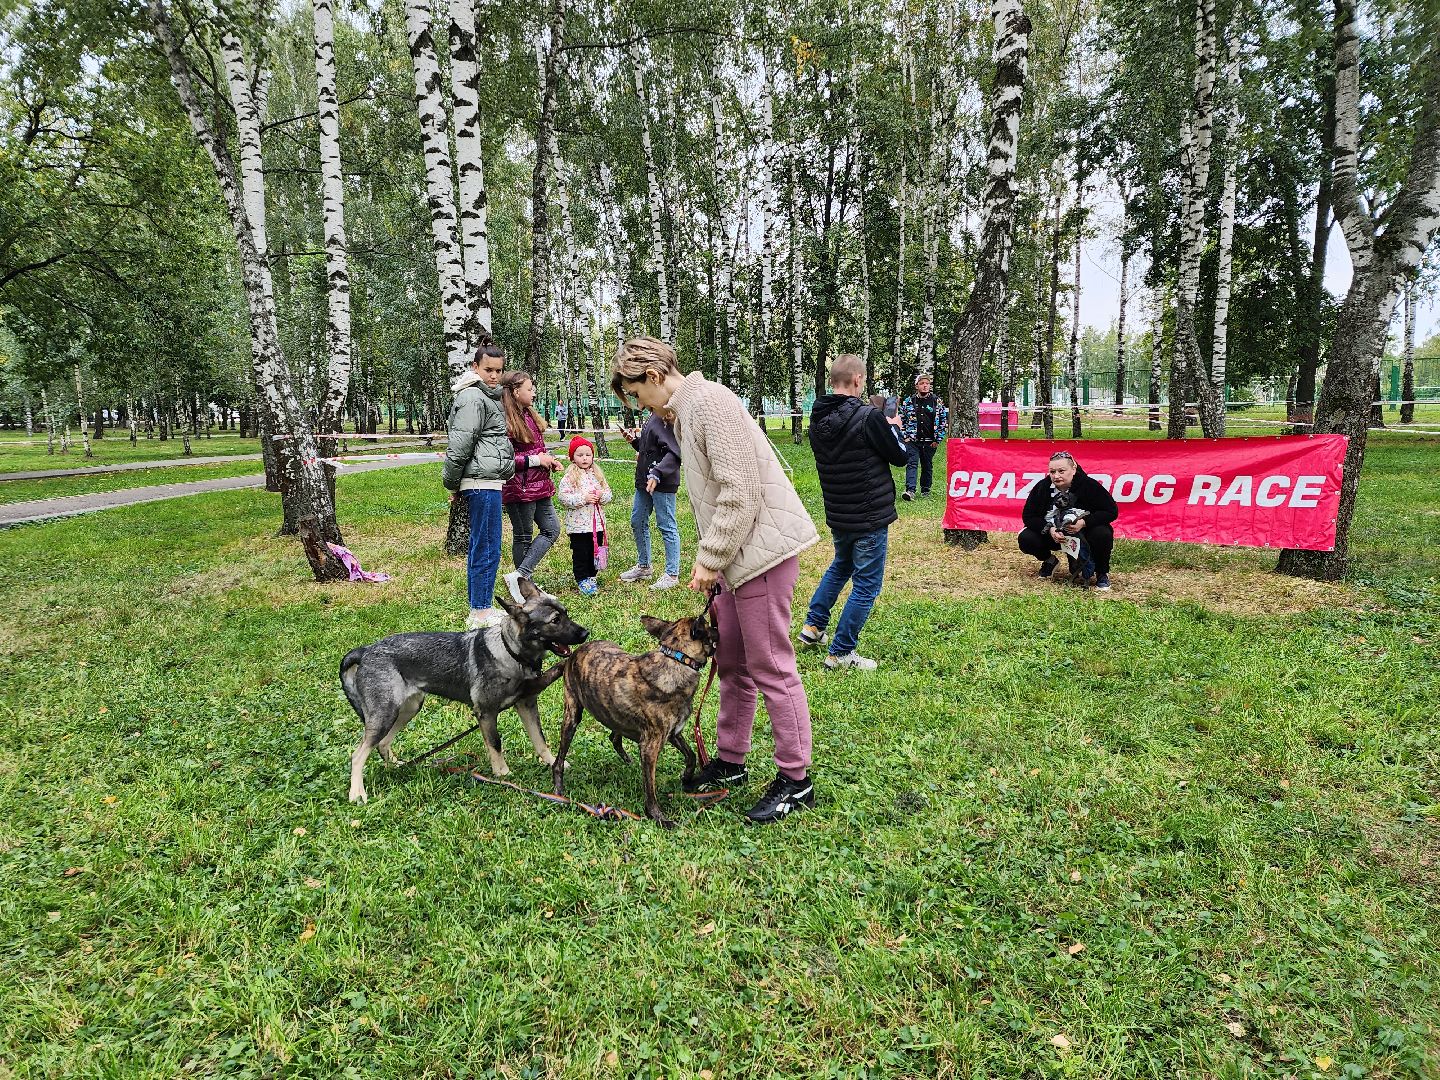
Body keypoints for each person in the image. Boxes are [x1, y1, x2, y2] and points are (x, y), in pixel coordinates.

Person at [610, 336, 822, 825]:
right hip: (734, 563)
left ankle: (796, 780)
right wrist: (717, 564)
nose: (640, 405)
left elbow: (741, 492)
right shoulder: (685, 413)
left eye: (638, 394)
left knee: (772, 667)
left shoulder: (711, 403)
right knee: (732, 666)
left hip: (759, 559)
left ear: (654, 375)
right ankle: (731, 760)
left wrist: (708, 559)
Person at [799, 353, 910, 671]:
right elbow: (900, 456)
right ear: (858, 380)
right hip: (869, 513)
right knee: (867, 584)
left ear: (834, 381)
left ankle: (813, 627)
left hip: (839, 510)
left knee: (841, 565)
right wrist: (895, 428)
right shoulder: (869, 417)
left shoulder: (817, 419)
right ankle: (841, 652)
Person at [441, 337, 514, 630]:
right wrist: (452, 482)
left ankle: (479, 607)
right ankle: (481, 611)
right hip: (481, 482)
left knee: (484, 545)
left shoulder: (485, 396)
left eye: (498, 370)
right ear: (475, 367)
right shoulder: (473, 397)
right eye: (488, 370)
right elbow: (460, 444)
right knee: (486, 546)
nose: (494, 376)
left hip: (487, 481)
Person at [498, 370, 563, 601]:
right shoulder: (503, 420)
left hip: (539, 485)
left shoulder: (528, 415)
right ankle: (526, 589)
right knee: (523, 536)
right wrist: (537, 460)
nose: (534, 393)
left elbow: (533, 449)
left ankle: (520, 577)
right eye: (530, 389)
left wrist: (548, 459)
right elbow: (504, 459)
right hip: (519, 488)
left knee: (552, 529)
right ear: (516, 392)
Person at [1019, 450, 1119, 591]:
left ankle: (1101, 572)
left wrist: (1084, 522)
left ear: (1073, 469)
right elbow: (1028, 516)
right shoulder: (1042, 487)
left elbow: (1111, 511)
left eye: (1061, 471)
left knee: (1102, 533)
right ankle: (1049, 561)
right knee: (1026, 538)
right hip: (1055, 534)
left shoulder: (1089, 485)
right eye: (1052, 472)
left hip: (1083, 533)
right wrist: (1050, 529)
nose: (1056, 476)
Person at [617, 408, 683, 590]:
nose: (638, 400)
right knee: (637, 521)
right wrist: (635, 442)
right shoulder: (652, 417)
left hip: (662, 482)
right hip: (644, 482)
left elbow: (674, 452)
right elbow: (652, 450)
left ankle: (671, 574)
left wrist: (657, 473)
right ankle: (644, 566)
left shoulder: (666, 417)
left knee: (666, 525)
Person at [556, 435, 613, 596]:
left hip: (597, 525)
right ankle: (582, 578)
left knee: (594, 551)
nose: (585, 458)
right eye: (580, 455)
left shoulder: (597, 475)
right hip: (578, 526)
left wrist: (601, 495)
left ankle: (592, 576)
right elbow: (564, 498)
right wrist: (583, 499)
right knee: (581, 552)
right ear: (573, 457)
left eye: (588, 454)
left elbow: (608, 494)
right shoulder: (570, 477)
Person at [900, 372, 949, 500]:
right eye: (922, 383)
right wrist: (905, 435)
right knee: (912, 463)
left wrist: (938, 439)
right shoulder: (909, 402)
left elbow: (943, 420)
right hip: (913, 440)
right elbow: (902, 420)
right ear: (917, 386)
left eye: (927, 383)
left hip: (930, 441)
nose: (925, 386)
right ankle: (910, 490)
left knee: (927, 465)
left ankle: (925, 490)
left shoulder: (936, 401)